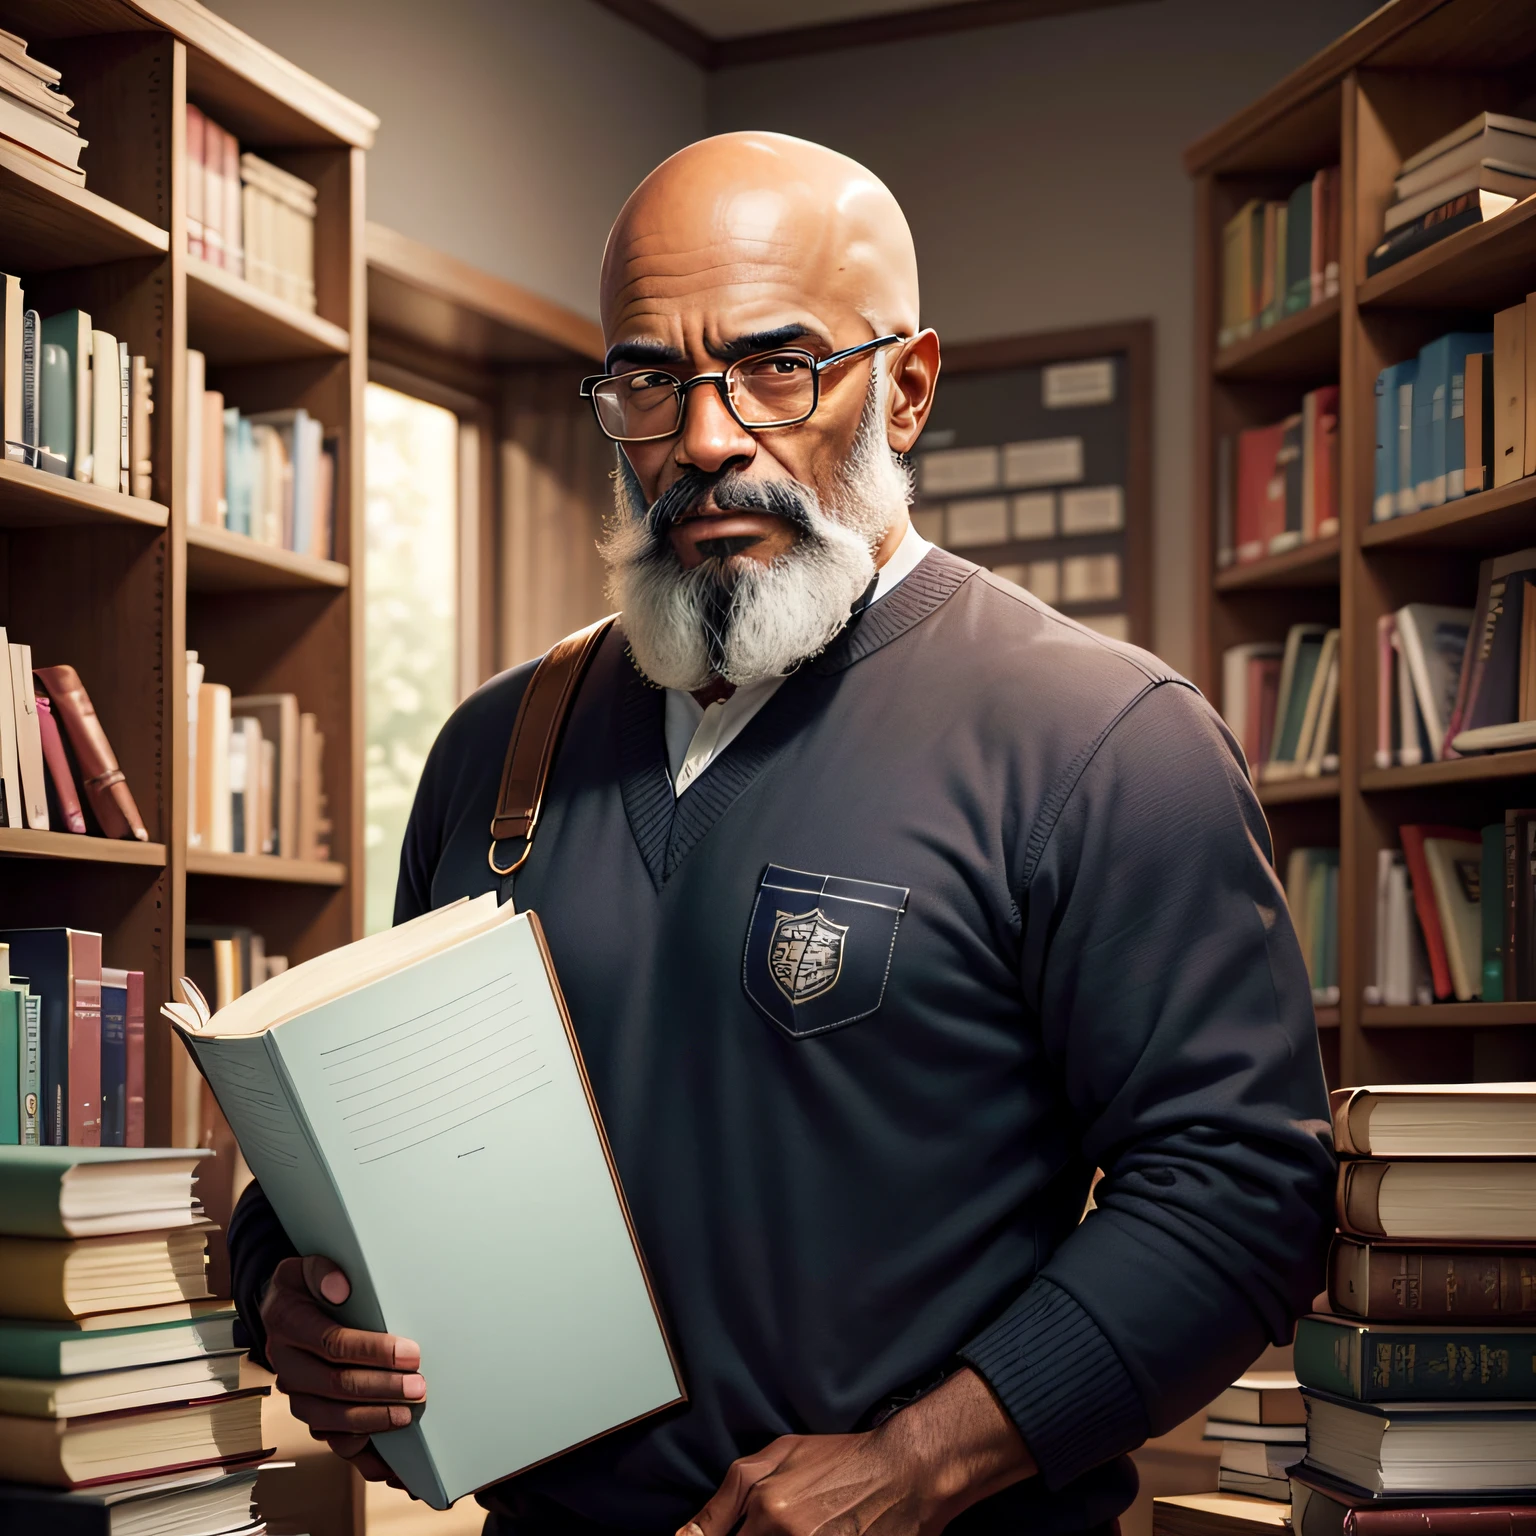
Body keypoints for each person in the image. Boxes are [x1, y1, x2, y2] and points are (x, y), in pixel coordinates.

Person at [228, 132, 1336, 1536]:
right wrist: (285, 1291)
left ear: (909, 387)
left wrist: (920, 1465)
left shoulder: (1106, 739)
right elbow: (363, 1142)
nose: (703, 439)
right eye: (648, 378)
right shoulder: (498, 749)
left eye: (777, 366)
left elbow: (1241, 1194)